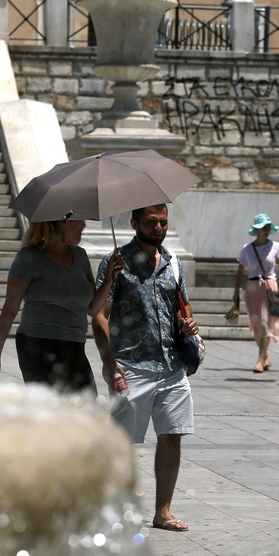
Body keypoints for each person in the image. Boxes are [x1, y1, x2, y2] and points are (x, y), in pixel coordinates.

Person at [92, 204, 199, 533]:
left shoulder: (172, 261)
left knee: (172, 436)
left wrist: (188, 323)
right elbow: (98, 314)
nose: (159, 228)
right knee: (121, 443)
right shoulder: (117, 263)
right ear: (134, 222)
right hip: (132, 365)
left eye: (163, 222)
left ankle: (162, 512)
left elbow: (183, 306)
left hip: (171, 366)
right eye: (152, 222)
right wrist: (109, 362)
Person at [0, 217, 124, 394]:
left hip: (75, 345)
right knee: (52, 409)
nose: (84, 224)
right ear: (62, 221)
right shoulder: (29, 257)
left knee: (86, 406)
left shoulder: (80, 256)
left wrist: (110, 278)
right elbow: (9, 309)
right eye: (79, 219)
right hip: (37, 346)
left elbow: (92, 308)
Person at [232, 213, 279, 372]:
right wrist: (236, 293)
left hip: (269, 287)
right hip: (252, 287)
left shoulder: (276, 246)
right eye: (263, 227)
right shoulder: (247, 249)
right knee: (256, 324)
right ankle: (265, 355)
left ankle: (260, 361)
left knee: (266, 323)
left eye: (268, 227)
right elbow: (240, 271)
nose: (266, 230)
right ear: (257, 230)